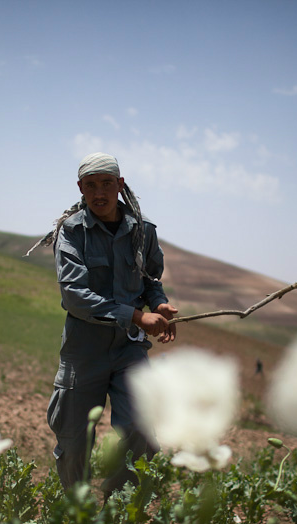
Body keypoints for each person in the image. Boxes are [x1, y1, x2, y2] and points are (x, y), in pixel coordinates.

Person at [28, 152, 178, 495]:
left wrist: (159, 303)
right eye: (91, 186)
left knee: (140, 432)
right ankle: (77, 510)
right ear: (80, 188)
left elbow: (150, 279)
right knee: (74, 439)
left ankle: (117, 514)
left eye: (107, 184)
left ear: (120, 185)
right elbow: (74, 296)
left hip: (129, 349)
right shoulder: (71, 232)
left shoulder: (143, 231)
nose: (99, 193)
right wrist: (138, 316)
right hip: (85, 350)